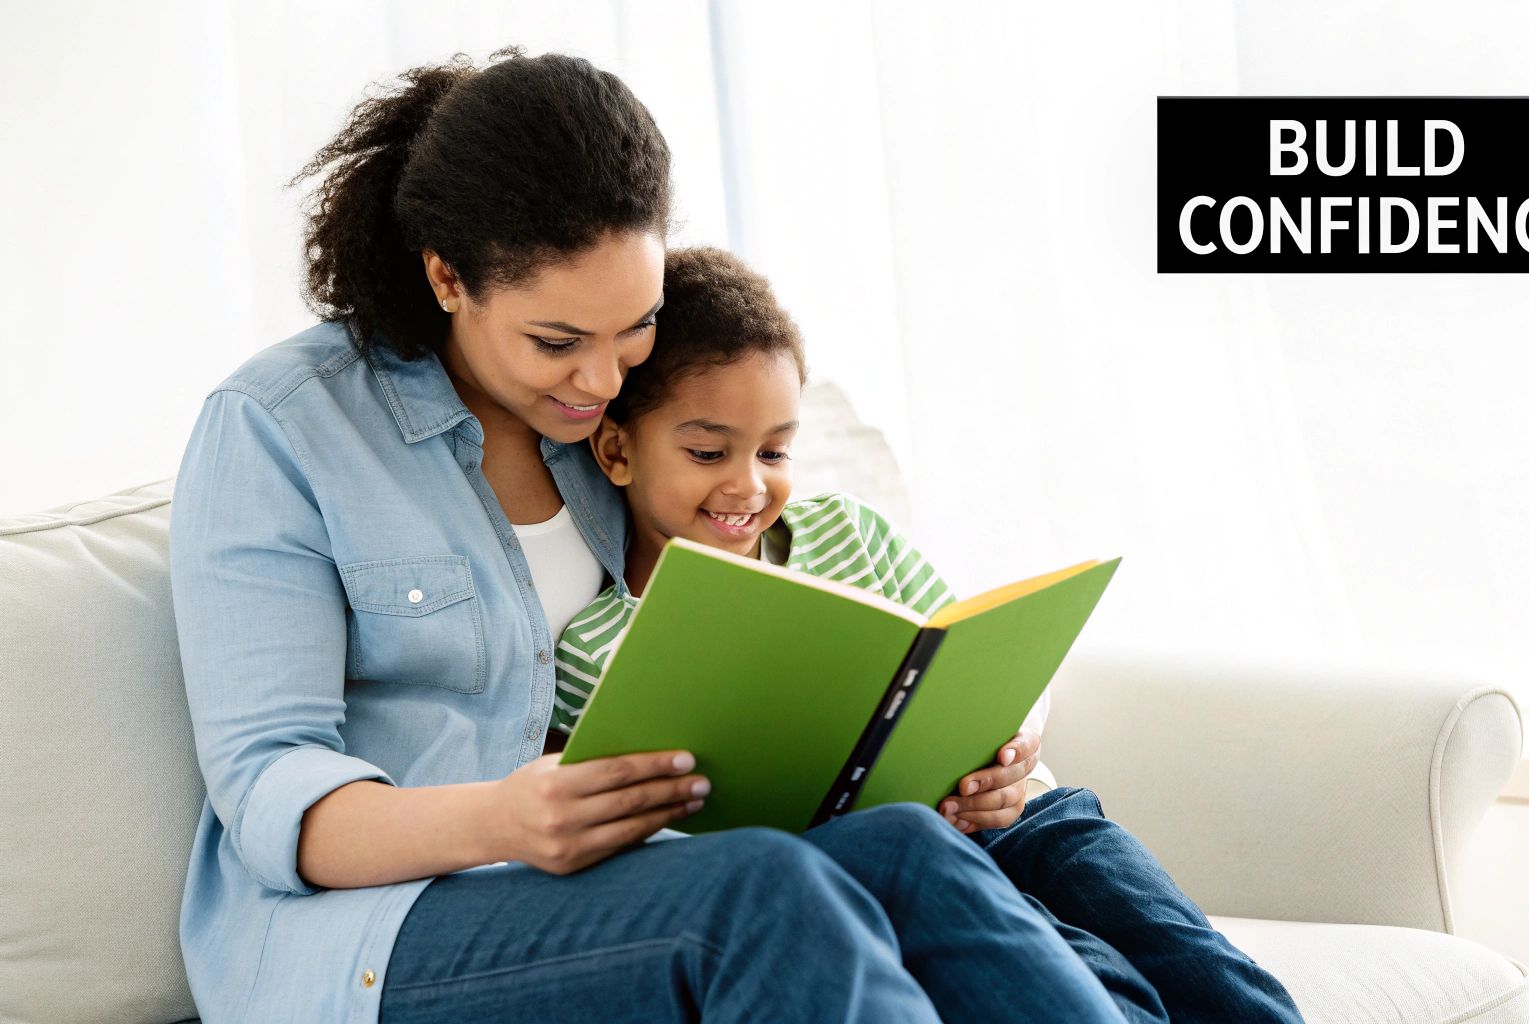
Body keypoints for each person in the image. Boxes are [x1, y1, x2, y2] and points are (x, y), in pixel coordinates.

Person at [169, 48, 1133, 1023]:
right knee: (763, 896)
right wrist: (499, 816)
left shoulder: (605, 439)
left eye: (632, 328)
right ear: (446, 277)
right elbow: (267, 789)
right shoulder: (277, 427)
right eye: (556, 342)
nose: (599, 380)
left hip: (616, 877)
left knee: (906, 851)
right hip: (368, 934)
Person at [550, 245, 1305, 1024]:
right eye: (709, 452)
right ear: (616, 449)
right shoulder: (599, 646)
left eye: (775, 450)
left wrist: (1016, 745)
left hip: (1015, 823)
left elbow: (978, 653)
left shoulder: (849, 533)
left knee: (1200, 966)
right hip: (881, 879)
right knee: (1100, 982)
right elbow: (646, 853)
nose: (749, 484)